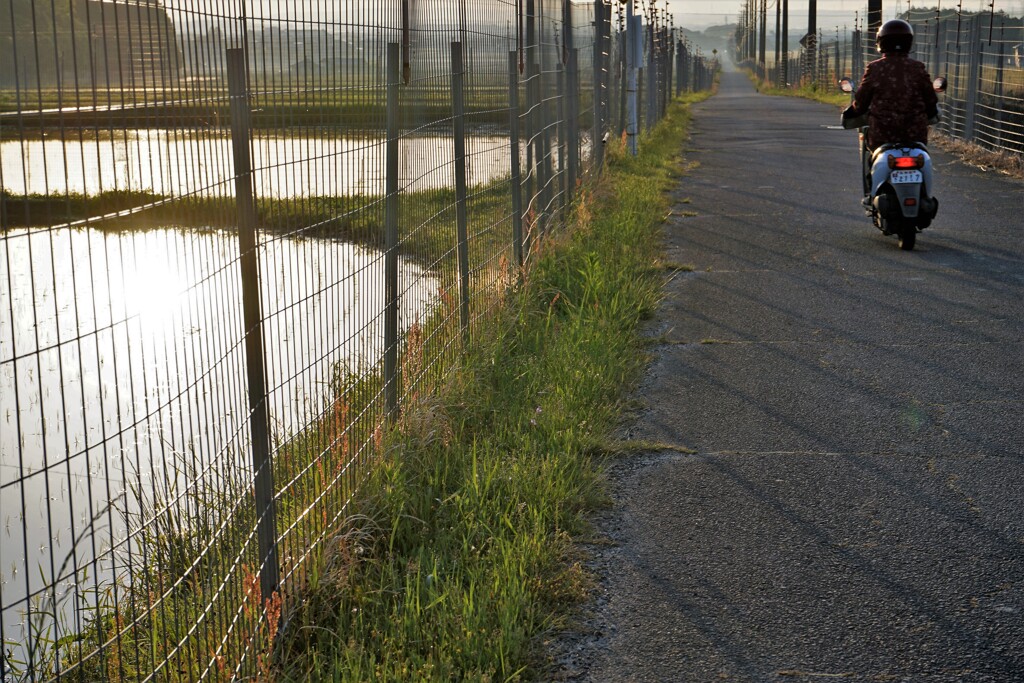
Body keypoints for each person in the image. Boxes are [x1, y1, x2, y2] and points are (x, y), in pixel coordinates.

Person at [842, 19, 939, 151]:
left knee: (873, 160)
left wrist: (853, 111)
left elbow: (861, 100)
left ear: (881, 41)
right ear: (908, 42)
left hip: (882, 137)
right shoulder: (917, 68)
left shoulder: (875, 68)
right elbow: (931, 99)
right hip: (915, 136)